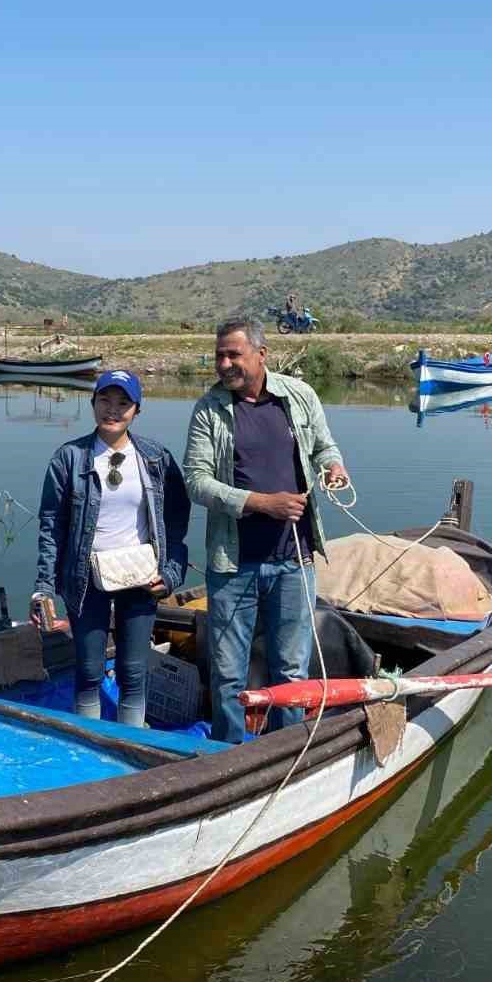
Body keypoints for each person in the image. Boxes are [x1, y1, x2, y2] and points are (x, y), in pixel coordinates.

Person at [182, 318, 349, 743]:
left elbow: (324, 446)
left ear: (261, 354)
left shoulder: (299, 395)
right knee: (228, 674)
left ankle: (283, 751)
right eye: (219, 355)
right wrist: (261, 503)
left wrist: (333, 466)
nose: (224, 364)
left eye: (233, 355)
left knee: (291, 672)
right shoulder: (208, 410)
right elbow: (196, 481)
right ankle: (228, 754)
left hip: (295, 560)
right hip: (233, 565)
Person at [31, 369, 190, 727]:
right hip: (85, 579)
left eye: (123, 403)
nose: (113, 410)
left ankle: (129, 745)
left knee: (133, 673)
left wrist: (171, 573)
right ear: (93, 403)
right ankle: (90, 744)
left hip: (141, 577)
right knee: (89, 671)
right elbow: (51, 526)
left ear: (137, 410)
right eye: (105, 400)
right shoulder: (69, 458)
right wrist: (43, 586)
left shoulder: (156, 459)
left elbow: (178, 521)